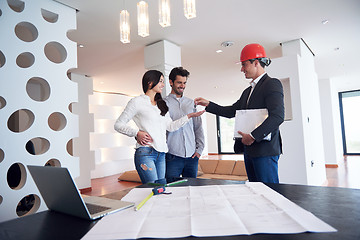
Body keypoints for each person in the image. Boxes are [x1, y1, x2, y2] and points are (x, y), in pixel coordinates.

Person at [194, 43, 284, 183]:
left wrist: (253, 136)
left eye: (244, 64)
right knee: (255, 192)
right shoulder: (247, 92)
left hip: (264, 152)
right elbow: (231, 111)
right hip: (249, 151)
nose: (242, 69)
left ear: (255, 63)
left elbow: (277, 116)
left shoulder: (272, 83)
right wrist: (209, 105)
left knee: (269, 192)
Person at [114, 70, 205, 184]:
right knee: (153, 189)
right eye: (161, 81)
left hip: (161, 154)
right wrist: (136, 133)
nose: (163, 84)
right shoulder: (136, 102)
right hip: (146, 152)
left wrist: (190, 116)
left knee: (161, 191)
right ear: (150, 82)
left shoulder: (161, 104)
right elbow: (118, 124)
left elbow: (170, 126)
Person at [163, 67, 205, 182]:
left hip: (192, 157)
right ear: (171, 82)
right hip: (172, 157)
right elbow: (164, 129)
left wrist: (199, 150)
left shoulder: (191, 103)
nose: (182, 86)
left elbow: (198, 128)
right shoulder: (163, 103)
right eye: (179, 82)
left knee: (192, 190)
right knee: (172, 190)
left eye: (184, 83)